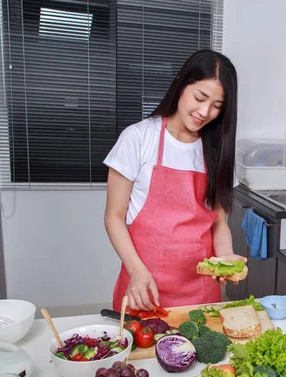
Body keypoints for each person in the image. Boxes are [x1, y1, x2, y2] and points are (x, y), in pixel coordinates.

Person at [103, 49, 246, 312]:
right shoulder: (138, 138)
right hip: (143, 287)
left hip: (201, 292)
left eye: (217, 106)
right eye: (200, 97)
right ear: (181, 84)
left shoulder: (218, 151)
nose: (205, 112)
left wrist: (224, 257)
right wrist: (136, 271)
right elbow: (114, 217)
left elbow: (219, 223)